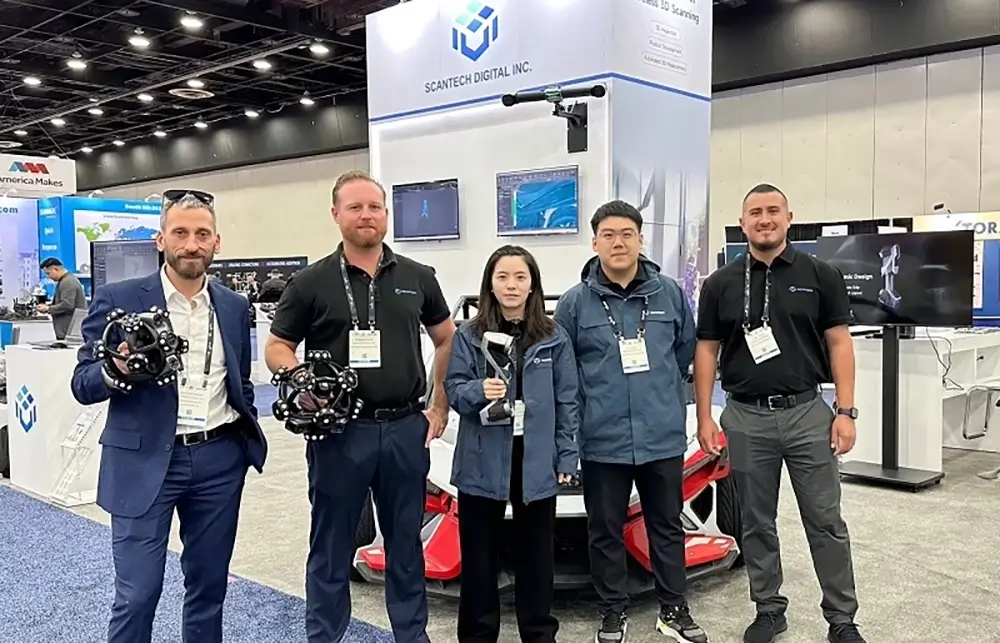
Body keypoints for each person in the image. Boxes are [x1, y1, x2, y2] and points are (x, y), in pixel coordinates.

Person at [264, 169, 455, 643]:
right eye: (355, 207)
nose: (366, 215)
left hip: (405, 429)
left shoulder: (418, 277)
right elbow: (277, 346)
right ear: (336, 214)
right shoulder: (310, 282)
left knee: (405, 544)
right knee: (331, 545)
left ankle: (412, 636)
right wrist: (300, 379)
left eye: (374, 207)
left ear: (386, 214)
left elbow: (446, 338)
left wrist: (439, 405)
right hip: (338, 433)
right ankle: (324, 636)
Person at [70, 189, 267, 643]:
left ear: (217, 242)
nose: (191, 244)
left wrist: (240, 445)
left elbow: (239, 382)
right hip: (142, 462)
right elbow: (82, 384)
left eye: (202, 234)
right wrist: (116, 370)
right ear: (161, 240)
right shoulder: (119, 299)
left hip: (219, 460)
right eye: (180, 233)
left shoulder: (234, 306)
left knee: (209, 588)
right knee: (137, 594)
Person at [693, 183, 865, 643]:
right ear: (742, 222)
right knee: (755, 521)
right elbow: (706, 350)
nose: (764, 219)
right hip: (745, 417)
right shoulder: (719, 284)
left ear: (789, 218)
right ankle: (769, 609)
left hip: (807, 413)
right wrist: (705, 416)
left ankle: (842, 619)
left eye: (773, 211)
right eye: (755, 212)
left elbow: (839, 343)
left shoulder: (821, 274)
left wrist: (845, 410)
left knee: (825, 520)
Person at [553, 200, 707, 643]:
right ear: (594, 242)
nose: (618, 243)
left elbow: (683, 352)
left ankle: (673, 609)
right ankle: (612, 611)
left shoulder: (670, 294)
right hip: (602, 439)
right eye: (608, 235)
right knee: (604, 531)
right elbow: (565, 373)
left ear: (640, 240)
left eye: (627, 234)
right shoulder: (574, 304)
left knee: (667, 526)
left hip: (661, 436)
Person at [444, 245, 580, 643]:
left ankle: (538, 633)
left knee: (536, 556)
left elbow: (568, 401)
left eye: (520, 277)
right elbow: (453, 389)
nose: (511, 285)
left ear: (532, 284)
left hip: (534, 458)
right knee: (479, 558)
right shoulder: (469, 336)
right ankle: (477, 635)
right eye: (502, 277)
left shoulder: (554, 337)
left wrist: (567, 456)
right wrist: (477, 390)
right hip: (482, 457)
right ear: (490, 284)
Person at [38, 257, 86, 339]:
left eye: (48, 273)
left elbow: (67, 305)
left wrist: (47, 308)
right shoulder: (65, 280)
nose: (48, 277)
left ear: (56, 269)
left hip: (68, 330)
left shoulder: (68, 282)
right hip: (67, 330)